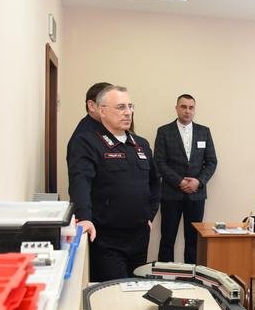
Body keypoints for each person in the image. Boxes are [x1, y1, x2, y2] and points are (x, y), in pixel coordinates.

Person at [67, 85, 160, 282]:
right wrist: (84, 217)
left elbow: (154, 182)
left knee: (136, 289)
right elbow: (80, 181)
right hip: (107, 239)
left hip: (139, 236)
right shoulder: (87, 142)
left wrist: (149, 215)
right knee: (114, 291)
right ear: (102, 111)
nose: (128, 112)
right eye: (120, 107)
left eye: (130, 106)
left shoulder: (141, 144)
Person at [154, 94, 217, 264]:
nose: (187, 111)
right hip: (170, 194)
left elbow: (211, 162)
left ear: (194, 109)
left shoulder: (204, 131)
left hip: (196, 195)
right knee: (167, 239)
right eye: (183, 107)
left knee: (193, 240)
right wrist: (179, 181)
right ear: (176, 108)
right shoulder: (164, 131)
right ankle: (165, 275)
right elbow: (159, 162)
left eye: (191, 107)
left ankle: (191, 275)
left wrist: (199, 182)